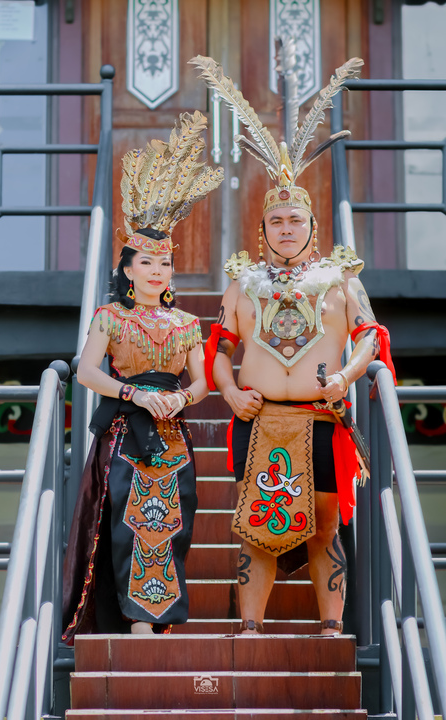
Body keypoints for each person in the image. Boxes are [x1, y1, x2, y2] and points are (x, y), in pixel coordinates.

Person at [193, 55, 396, 635]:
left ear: (312, 226)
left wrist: (347, 378)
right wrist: (230, 392)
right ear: (263, 230)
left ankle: (331, 630)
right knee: (254, 530)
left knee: (325, 528)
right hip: (258, 420)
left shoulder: (342, 280)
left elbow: (370, 338)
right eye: (277, 221)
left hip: (322, 420)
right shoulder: (242, 283)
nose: (286, 228)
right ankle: (250, 629)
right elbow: (219, 349)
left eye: (295, 220)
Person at [62, 111, 223, 642]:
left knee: (172, 524)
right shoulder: (109, 317)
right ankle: (135, 621)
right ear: (128, 270)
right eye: (146, 263)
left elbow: (202, 382)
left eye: (164, 264)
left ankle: (161, 618)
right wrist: (133, 393)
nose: (157, 272)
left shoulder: (187, 323)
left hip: (172, 432)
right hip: (124, 431)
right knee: (127, 522)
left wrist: (181, 400)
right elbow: (87, 372)